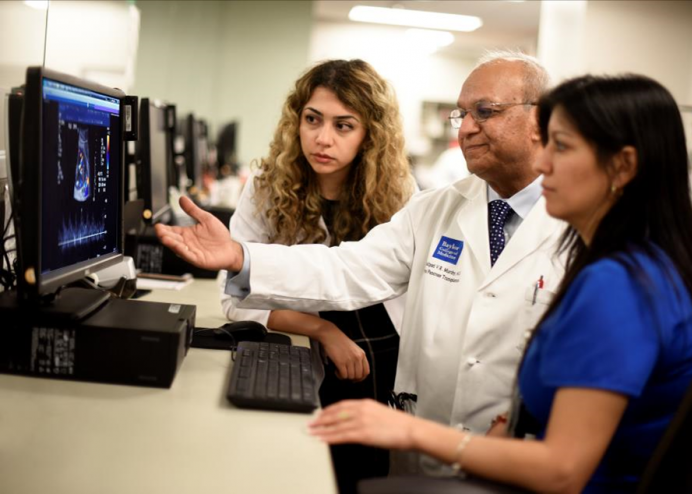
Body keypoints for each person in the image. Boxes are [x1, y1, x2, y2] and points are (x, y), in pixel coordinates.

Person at [155, 50, 566, 475]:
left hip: (523, 458)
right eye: (461, 115)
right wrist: (242, 257)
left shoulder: (583, 228)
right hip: (424, 446)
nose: (466, 129)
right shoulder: (437, 209)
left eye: (485, 111)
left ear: (541, 120)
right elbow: (346, 269)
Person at [307, 74, 692, 493]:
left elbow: (562, 469)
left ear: (623, 166)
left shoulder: (618, 286)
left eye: (562, 146)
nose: (542, 164)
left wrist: (410, 431)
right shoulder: (646, 265)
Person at [219, 59, 415, 492]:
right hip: (305, 347)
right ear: (297, 120)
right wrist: (322, 329)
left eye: (344, 126)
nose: (322, 139)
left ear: (370, 135)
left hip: (380, 354)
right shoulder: (269, 187)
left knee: (359, 474)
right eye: (312, 119)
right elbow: (234, 299)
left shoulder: (400, 194)